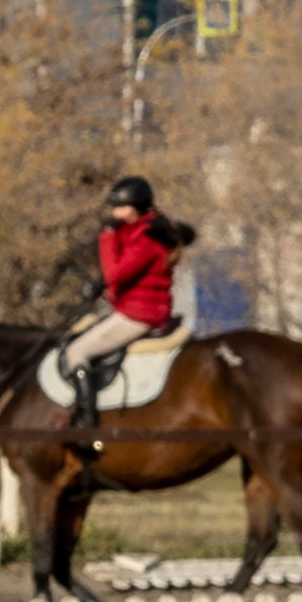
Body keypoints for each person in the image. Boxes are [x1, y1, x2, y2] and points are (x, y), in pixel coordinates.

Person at [58, 178, 192, 426]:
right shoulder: (141, 228)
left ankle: (86, 423)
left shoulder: (150, 238)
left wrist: (107, 236)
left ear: (134, 208)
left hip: (140, 314)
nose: (113, 212)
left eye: (119, 207)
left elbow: (116, 273)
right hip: (130, 309)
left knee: (76, 352)